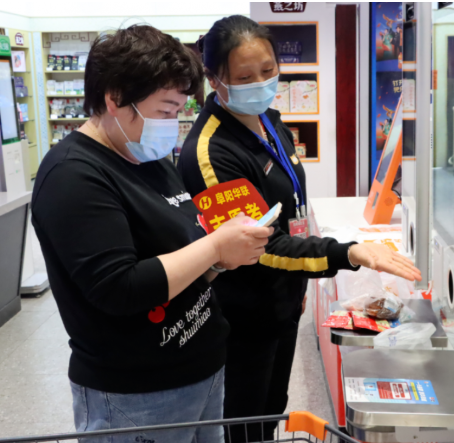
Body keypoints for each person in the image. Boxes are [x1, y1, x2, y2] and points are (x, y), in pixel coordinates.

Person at [177, 15, 421, 443]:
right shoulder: (210, 152)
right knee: (243, 422)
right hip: (242, 315)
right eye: (245, 77)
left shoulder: (268, 120)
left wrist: (298, 287)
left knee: (271, 408)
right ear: (215, 80)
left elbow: (290, 206)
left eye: (268, 70)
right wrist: (348, 252)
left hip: (282, 300)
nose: (261, 83)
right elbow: (258, 246)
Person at [31, 25, 273, 443]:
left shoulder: (148, 156)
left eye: (179, 111)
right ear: (114, 98)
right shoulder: (73, 176)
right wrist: (215, 245)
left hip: (201, 367)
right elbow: (120, 287)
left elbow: (182, 253)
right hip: (136, 393)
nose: (172, 125)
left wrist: (220, 259)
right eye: (164, 111)